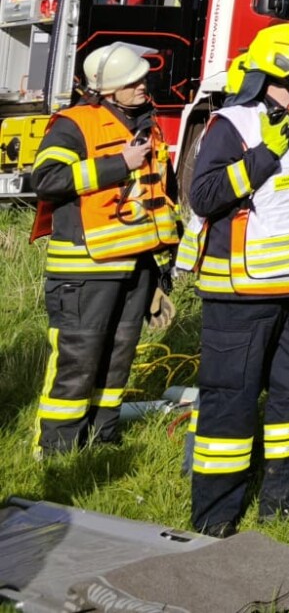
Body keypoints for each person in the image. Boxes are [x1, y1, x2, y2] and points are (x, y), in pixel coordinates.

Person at [180, 24, 289, 536]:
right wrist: (263, 155)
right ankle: (215, 518)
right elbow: (204, 196)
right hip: (241, 293)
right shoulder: (234, 123)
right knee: (231, 400)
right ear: (280, 73)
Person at [30, 42, 179, 457]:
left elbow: (158, 200)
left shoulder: (147, 123)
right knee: (78, 361)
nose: (143, 85)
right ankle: (58, 450)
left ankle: (101, 438)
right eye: (133, 82)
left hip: (135, 267)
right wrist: (119, 164)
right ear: (108, 89)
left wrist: (159, 275)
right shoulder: (73, 125)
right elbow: (46, 180)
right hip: (85, 269)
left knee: (118, 357)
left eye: (143, 79)